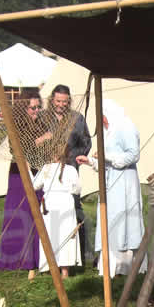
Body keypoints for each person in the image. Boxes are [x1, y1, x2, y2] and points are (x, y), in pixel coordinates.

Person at [76, 98, 144, 276]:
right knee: (110, 219)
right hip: (110, 184)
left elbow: (133, 154)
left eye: (104, 116)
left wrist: (108, 156)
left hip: (125, 183)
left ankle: (128, 266)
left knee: (124, 219)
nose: (103, 121)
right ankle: (111, 266)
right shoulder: (108, 131)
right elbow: (105, 162)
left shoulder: (125, 126)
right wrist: (90, 161)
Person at [0, 90, 43, 279]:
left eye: (38, 107)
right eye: (32, 107)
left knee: (35, 215)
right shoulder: (15, 125)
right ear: (24, 108)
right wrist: (41, 140)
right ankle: (14, 259)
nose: (36, 111)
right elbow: (18, 149)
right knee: (18, 216)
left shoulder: (40, 124)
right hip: (19, 174)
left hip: (37, 174)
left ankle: (35, 259)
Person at [47, 84, 92, 265]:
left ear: (69, 101)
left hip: (70, 172)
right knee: (48, 211)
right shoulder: (44, 118)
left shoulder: (77, 119)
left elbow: (86, 142)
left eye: (64, 102)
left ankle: (78, 253)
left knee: (74, 209)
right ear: (52, 100)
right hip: (49, 171)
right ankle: (50, 253)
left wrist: (72, 157)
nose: (61, 105)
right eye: (58, 101)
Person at [33, 144, 82, 278]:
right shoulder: (71, 170)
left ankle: (51, 268)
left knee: (51, 235)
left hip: (51, 202)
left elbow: (35, 185)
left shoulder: (46, 168)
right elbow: (77, 189)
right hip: (65, 203)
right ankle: (64, 271)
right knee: (65, 235)